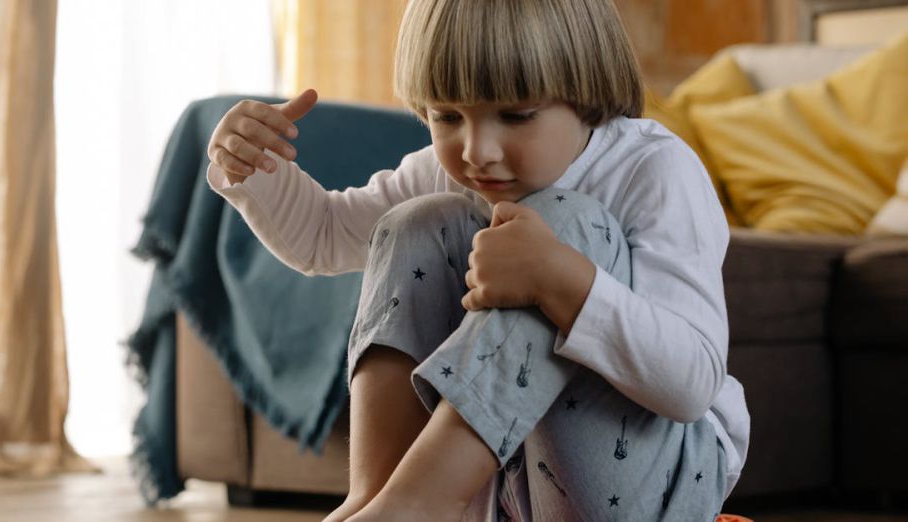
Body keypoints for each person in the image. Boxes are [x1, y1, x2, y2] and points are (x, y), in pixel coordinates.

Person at [205, 0, 750, 520]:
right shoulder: (448, 174)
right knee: (415, 222)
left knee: (566, 222)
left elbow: (692, 381)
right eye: (446, 117)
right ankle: (379, 499)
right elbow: (323, 237)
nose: (476, 151)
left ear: (585, 92)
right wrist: (253, 167)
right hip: (510, 495)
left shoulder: (653, 170)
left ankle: (420, 505)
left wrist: (562, 282)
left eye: (515, 116)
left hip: (660, 490)